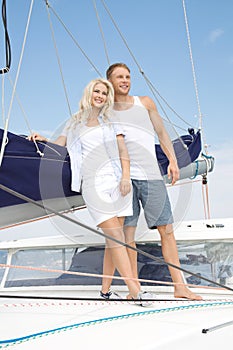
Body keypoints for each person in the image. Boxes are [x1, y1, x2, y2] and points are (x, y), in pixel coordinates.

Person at [28, 78, 152, 305]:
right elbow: (59, 145)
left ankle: (105, 291)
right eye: (97, 91)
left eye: (104, 93)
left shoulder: (112, 121)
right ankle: (135, 288)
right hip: (92, 184)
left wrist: (125, 178)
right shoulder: (74, 123)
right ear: (89, 93)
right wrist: (42, 140)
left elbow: (123, 151)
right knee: (115, 237)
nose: (101, 96)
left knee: (114, 240)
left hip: (117, 184)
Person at [100, 63, 202, 301]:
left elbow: (162, 133)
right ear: (110, 81)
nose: (125, 80)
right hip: (122, 179)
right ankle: (133, 290)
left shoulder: (144, 103)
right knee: (128, 237)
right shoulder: (105, 110)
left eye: (127, 76)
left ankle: (180, 286)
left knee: (166, 231)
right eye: (119, 77)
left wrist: (173, 161)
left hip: (151, 176)